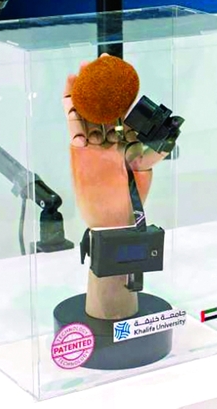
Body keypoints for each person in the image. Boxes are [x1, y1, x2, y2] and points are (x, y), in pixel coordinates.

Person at [61, 54, 170, 321]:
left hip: (118, 230)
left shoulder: (123, 152)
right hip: (107, 232)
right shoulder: (103, 146)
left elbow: (142, 161)